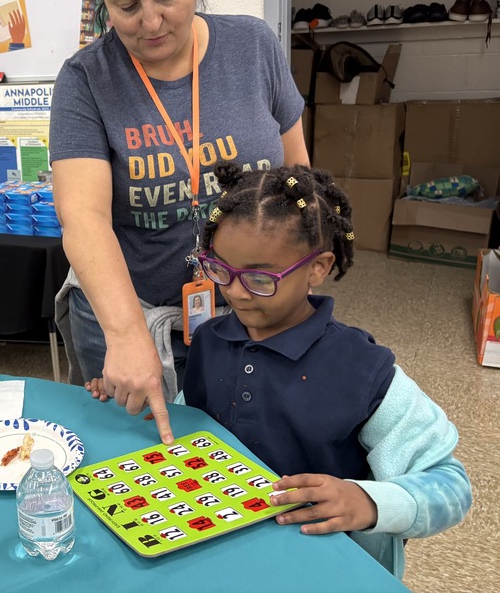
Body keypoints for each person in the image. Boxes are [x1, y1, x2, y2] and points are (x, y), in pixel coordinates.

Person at [49, 0, 307, 442]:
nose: (151, 21)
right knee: (130, 461)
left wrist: (295, 290)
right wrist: (125, 335)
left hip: (248, 307)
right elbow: (83, 217)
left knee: (248, 454)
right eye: (126, 5)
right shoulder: (86, 80)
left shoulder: (253, 47)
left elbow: (298, 181)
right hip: (129, 312)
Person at [180, 161, 470, 578]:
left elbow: (451, 485)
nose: (236, 292)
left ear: (317, 267)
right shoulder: (210, 338)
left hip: (321, 567)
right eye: (221, 269)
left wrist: (366, 501)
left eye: (260, 278)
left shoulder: (363, 368)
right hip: (219, 551)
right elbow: (189, 421)